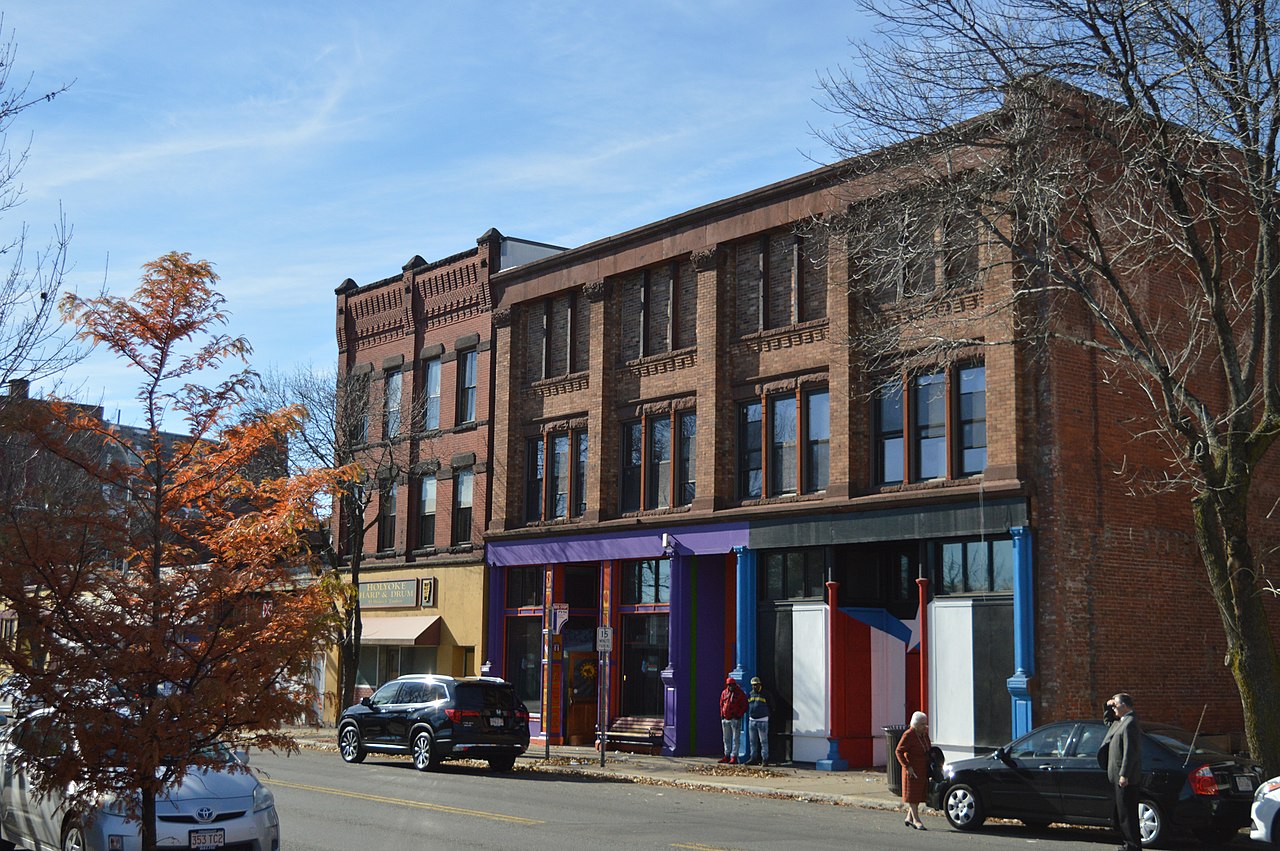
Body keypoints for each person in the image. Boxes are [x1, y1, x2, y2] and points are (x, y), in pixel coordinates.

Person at [1100, 692, 1142, 851]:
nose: (1114, 709)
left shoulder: (1130, 723)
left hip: (1125, 777)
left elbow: (1130, 752)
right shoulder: (1120, 722)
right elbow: (1107, 722)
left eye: (1116, 706)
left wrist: (1124, 774)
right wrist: (1107, 705)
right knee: (1121, 813)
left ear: (1124, 706)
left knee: (1127, 814)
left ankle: (1132, 846)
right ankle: (1128, 844)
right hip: (1116, 775)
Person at [895, 711, 931, 830]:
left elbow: (929, 749)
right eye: (922, 724)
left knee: (919, 795)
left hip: (923, 768)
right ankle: (916, 820)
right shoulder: (908, 735)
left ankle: (909, 818)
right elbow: (898, 751)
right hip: (912, 770)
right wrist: (907, 766)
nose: (925, 726)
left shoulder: (924, 735)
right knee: (913, 796)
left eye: (925, 724)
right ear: (915, 724)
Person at [718, 675, 747, 764]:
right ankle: (727, 755)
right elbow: (721, 704)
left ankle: (734, 756)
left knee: (736, 738)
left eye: (732, 684)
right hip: (726, 718)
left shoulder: (740, 693)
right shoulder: (724, 693)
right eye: (729, 685)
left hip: (735, 718)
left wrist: (738, 715)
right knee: (726, 738)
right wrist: (722, 715)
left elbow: (744, 705)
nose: (731, 686)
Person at [745, 676, 770, 765]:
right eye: (753, 685)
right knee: (752, 741)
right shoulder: (750, 694)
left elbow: (772, 705)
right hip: (752, 720)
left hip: (763, 720)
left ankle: (765, 759)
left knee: (763, 741)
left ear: (760, 685)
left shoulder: (766, 694)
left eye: (756, 685)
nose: (754, 687)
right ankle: (753, 758)